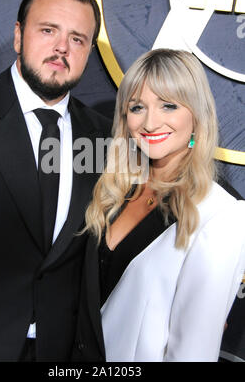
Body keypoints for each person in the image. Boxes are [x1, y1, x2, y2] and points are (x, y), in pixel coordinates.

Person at [0, 0, 111, 361]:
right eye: (48, 30)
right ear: (19, 36)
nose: (61, 48)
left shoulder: (104, 138)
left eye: (77, 39)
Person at [72, 49, 245, 362]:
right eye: (138, 107)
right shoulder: (112, 189)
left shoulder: (220, 214)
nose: (150, 123)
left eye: (168, 105)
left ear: (196, 115)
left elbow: (192, 352)